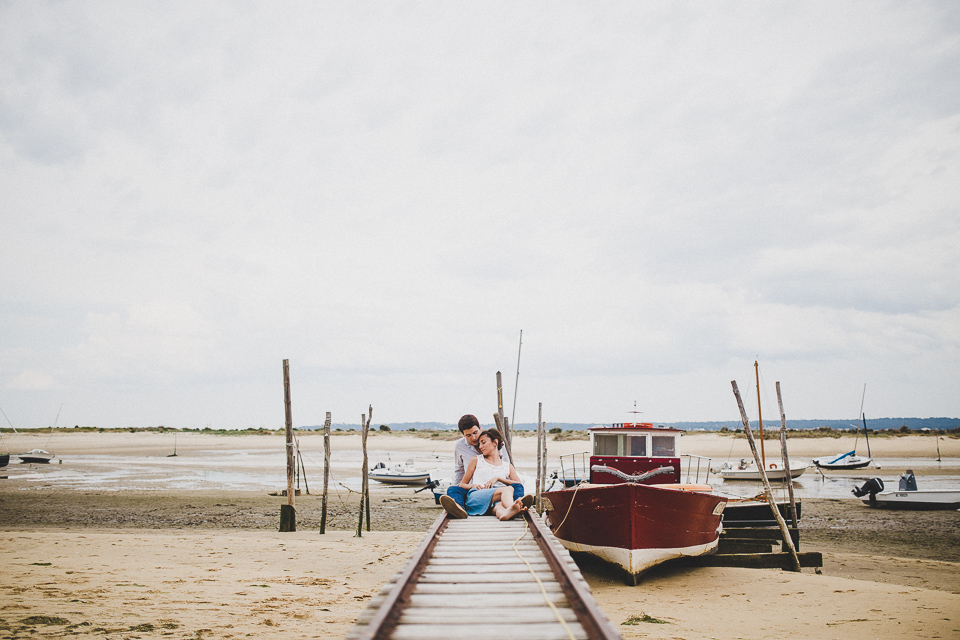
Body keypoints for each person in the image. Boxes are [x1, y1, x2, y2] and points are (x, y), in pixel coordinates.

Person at [440, 415, 523, 518]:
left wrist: (498, 478)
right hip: (476, 489)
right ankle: (459, 507)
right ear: (463, 435)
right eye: (468, 435)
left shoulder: (501, 451)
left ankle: (508, 511)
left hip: (497, 491)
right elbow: (459, 470)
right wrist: (464, 489)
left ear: (479, 427)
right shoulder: (469, 453)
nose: (474, 438)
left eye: (475, 433)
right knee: (453, 489)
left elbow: (506, 469)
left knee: (504, 500)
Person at [457, 428, 530, 520]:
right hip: (477, 496)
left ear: (495, 443)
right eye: (479, 443)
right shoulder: (476, 460)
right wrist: (473, 485)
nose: (480, 446)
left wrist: (498, 478)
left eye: (483, 442)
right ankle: (512, 507)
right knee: (508, 489)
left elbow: (518, 484)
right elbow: (462, 484)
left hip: (495, 500)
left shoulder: (507, 466)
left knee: (499, 506)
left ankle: (505, 514)